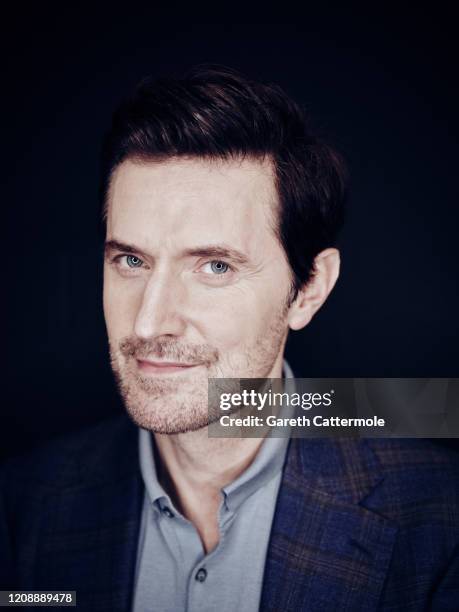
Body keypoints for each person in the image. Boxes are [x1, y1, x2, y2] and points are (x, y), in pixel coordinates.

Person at [1, 67, 458, 611]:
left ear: (309, 289)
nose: (148, 323)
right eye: (130, 260)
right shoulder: (24, 504)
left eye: (215, 266)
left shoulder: (438, 516)